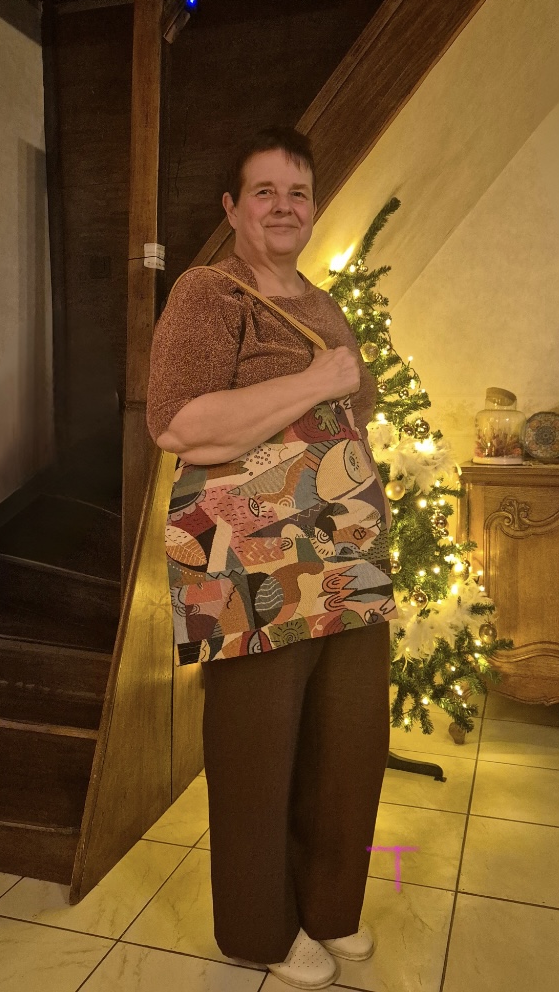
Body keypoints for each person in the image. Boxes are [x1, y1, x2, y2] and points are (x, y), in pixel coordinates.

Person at [146, 126, 396, 990]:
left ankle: (329, 906)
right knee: (256, 746)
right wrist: (318, 382)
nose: (284, 207)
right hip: (245, 560)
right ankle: (258, 929)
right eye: (265, 191)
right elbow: (178, 425)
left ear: (313, 207)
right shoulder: (210, 294)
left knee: (350, 740)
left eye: (297, 193)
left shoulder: (322, 304)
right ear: (233, 208)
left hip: (344, 554)